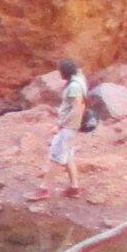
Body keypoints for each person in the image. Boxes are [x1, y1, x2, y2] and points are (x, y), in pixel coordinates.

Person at [47, 56, 87, 195]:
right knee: (68, 155)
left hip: (68, 127)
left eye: (60, 71)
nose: (59, 73)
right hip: (70, 126)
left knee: (56, 157)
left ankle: (43, 189)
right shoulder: (79, 79)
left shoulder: (74, 86)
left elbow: (77, 108)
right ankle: (74, 187)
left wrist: (60, 125)